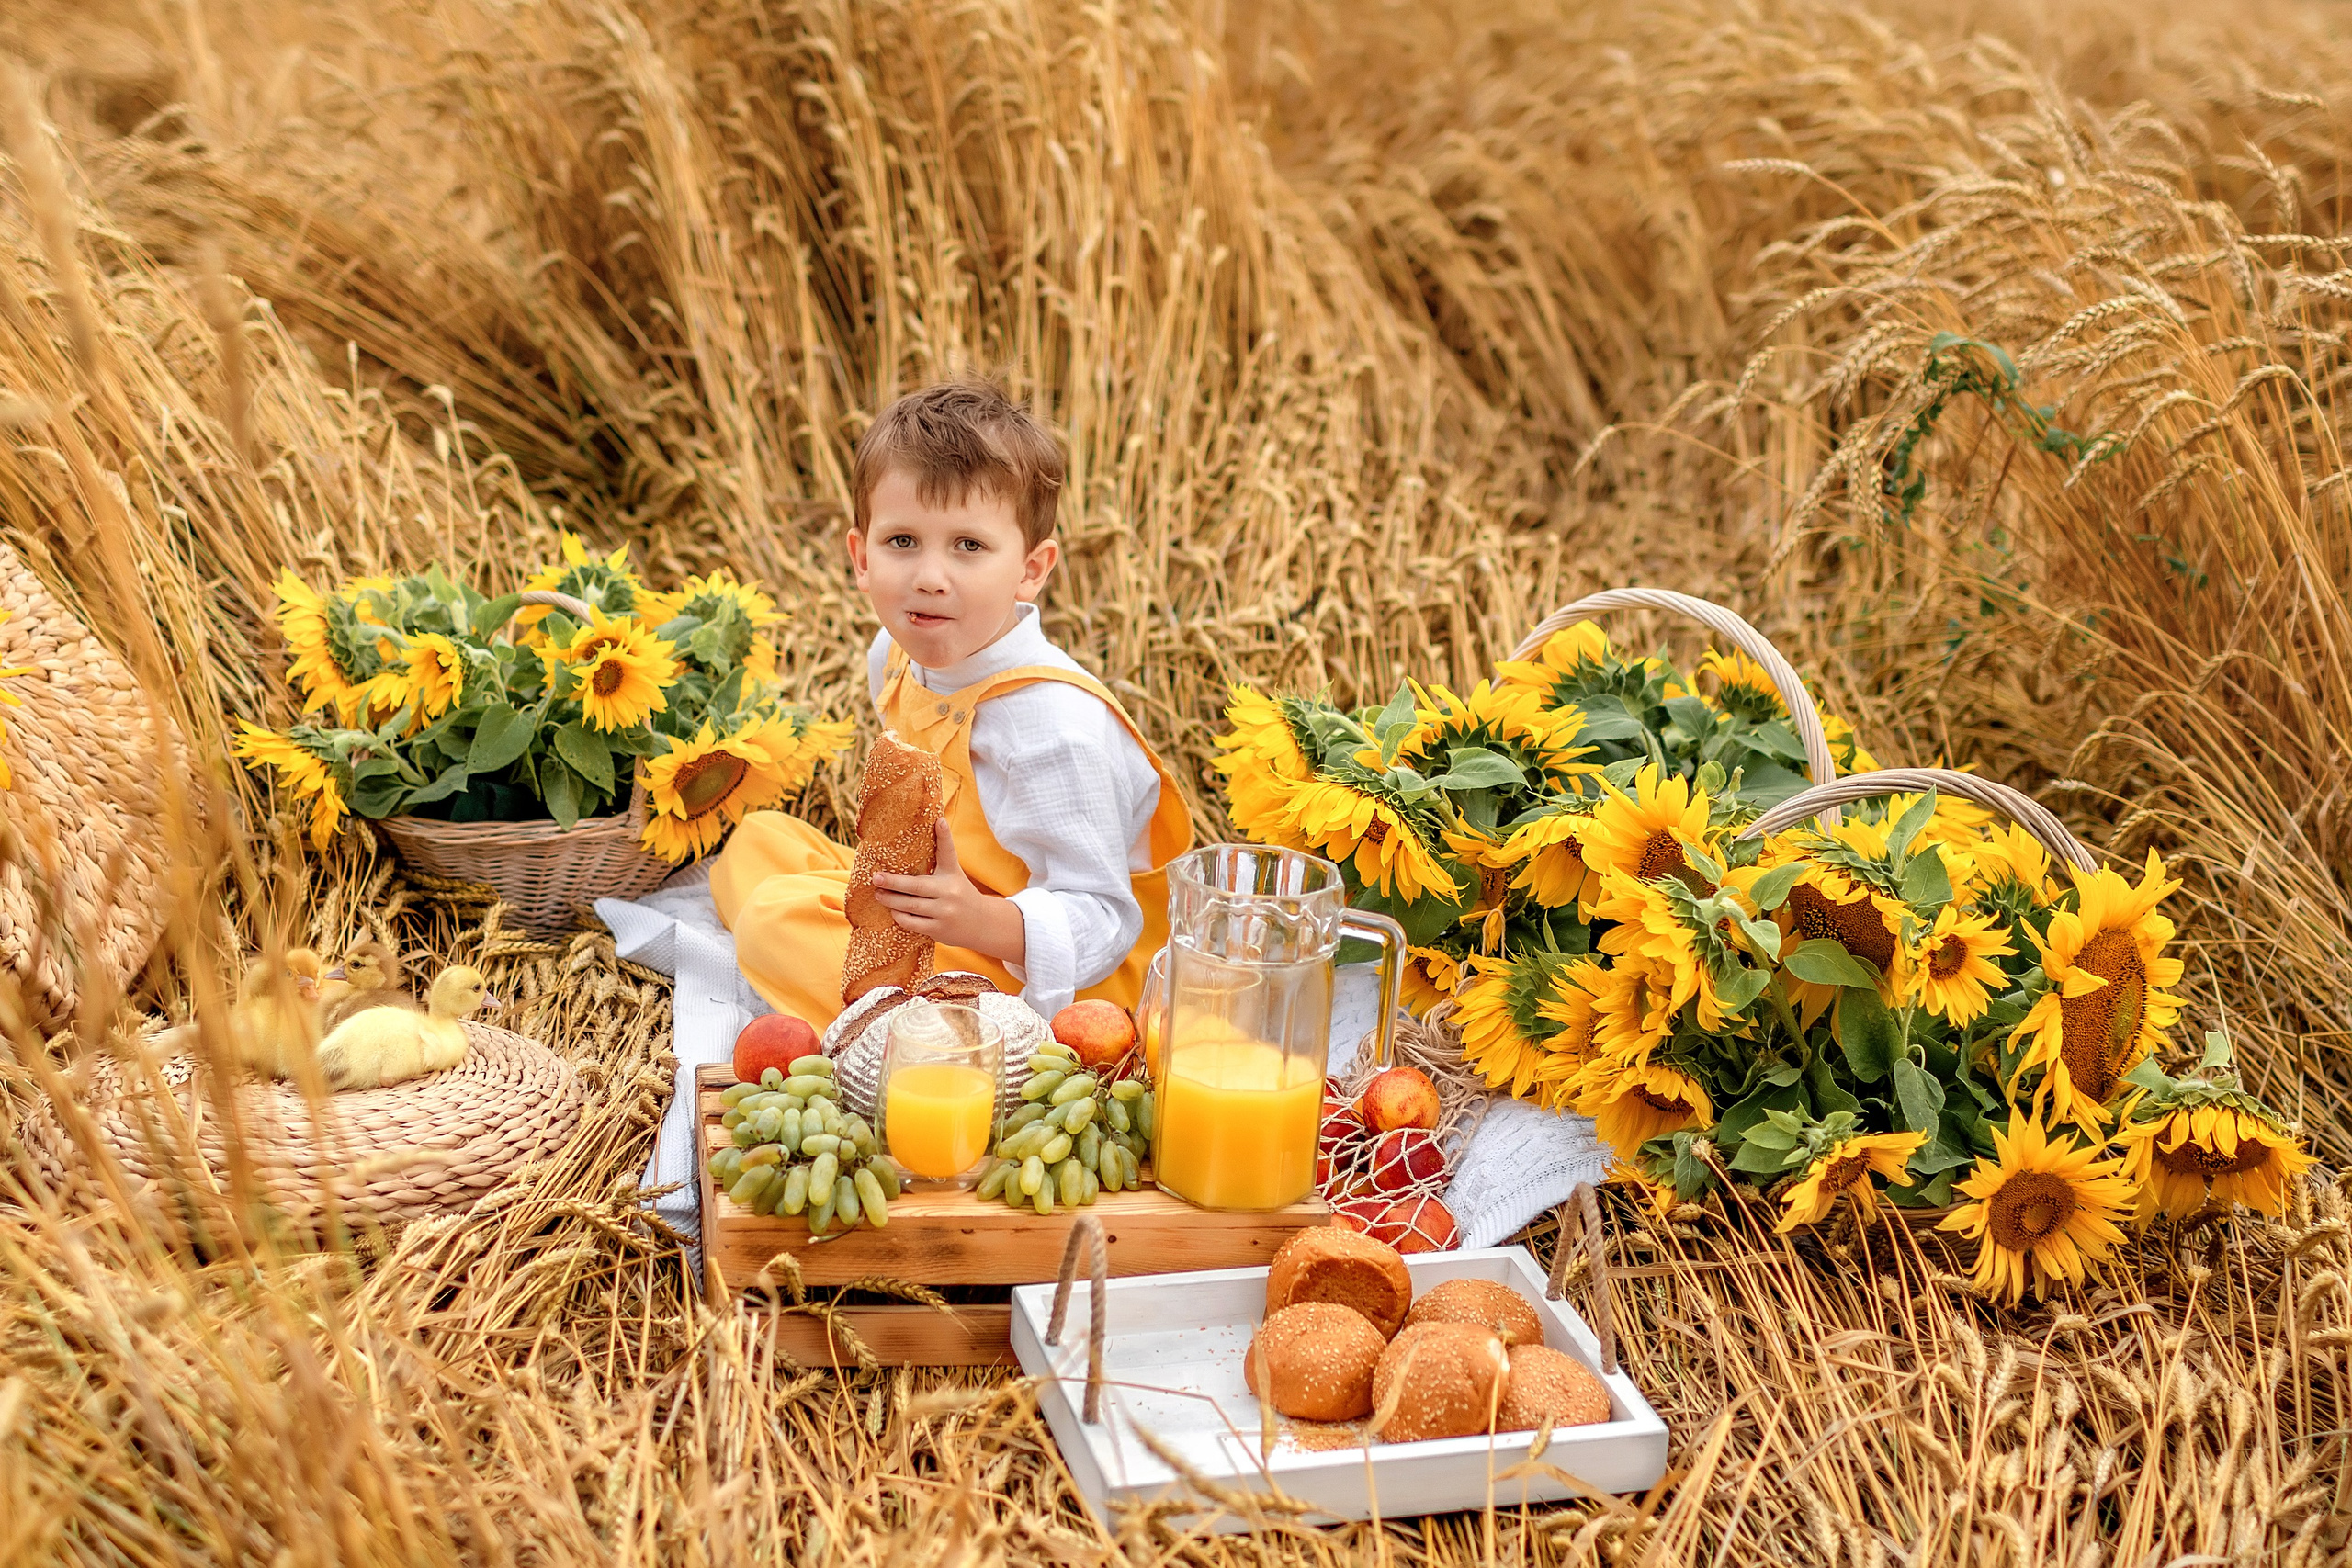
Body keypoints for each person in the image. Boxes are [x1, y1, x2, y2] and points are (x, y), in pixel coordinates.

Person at [710, 378, 1193, 1027]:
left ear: (1031, 568)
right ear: (861, 555)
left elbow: (1104, 918)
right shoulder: (897, 652)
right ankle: (877, 980)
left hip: (1063, 976)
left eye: (968, 546)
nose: (930, 576)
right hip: (953, 908)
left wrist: (980, 919)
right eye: (902, 541)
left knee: (773, 922)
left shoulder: (1052, 724)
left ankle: (941, 1039)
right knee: (758, 842)